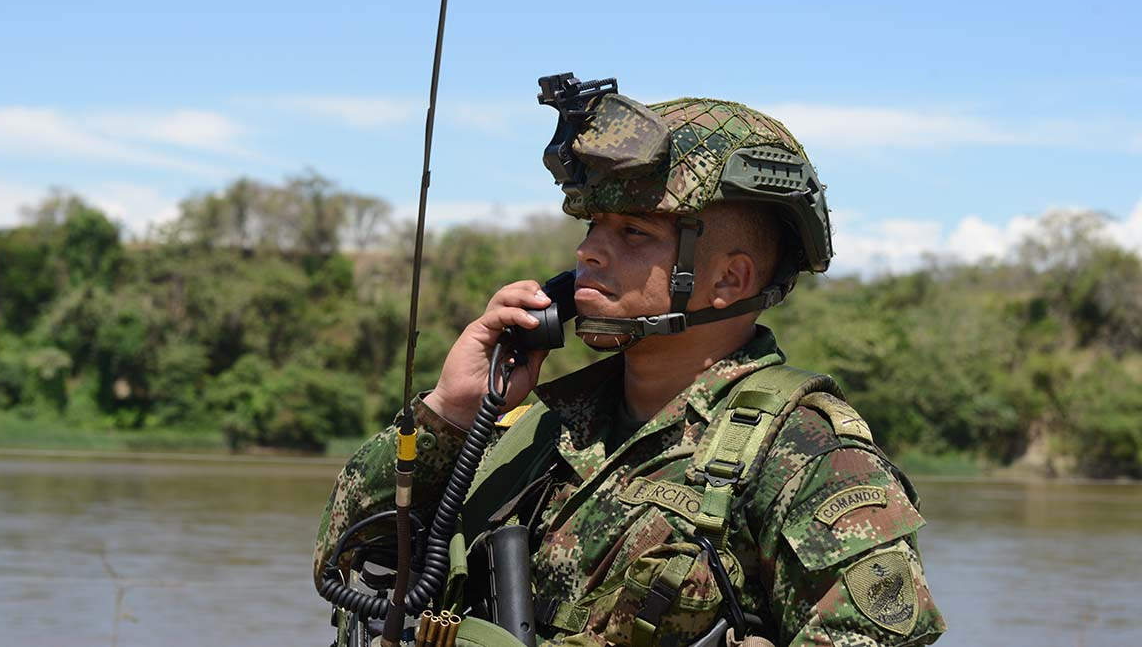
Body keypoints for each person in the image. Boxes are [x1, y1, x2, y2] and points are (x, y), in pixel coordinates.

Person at [315, 86, 946, 647]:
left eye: (633, 233)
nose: (588, 250)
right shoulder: (538, 427)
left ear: (728, 279)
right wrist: (452, 410)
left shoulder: (810, 460)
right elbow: (343, 563)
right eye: (593, 226)